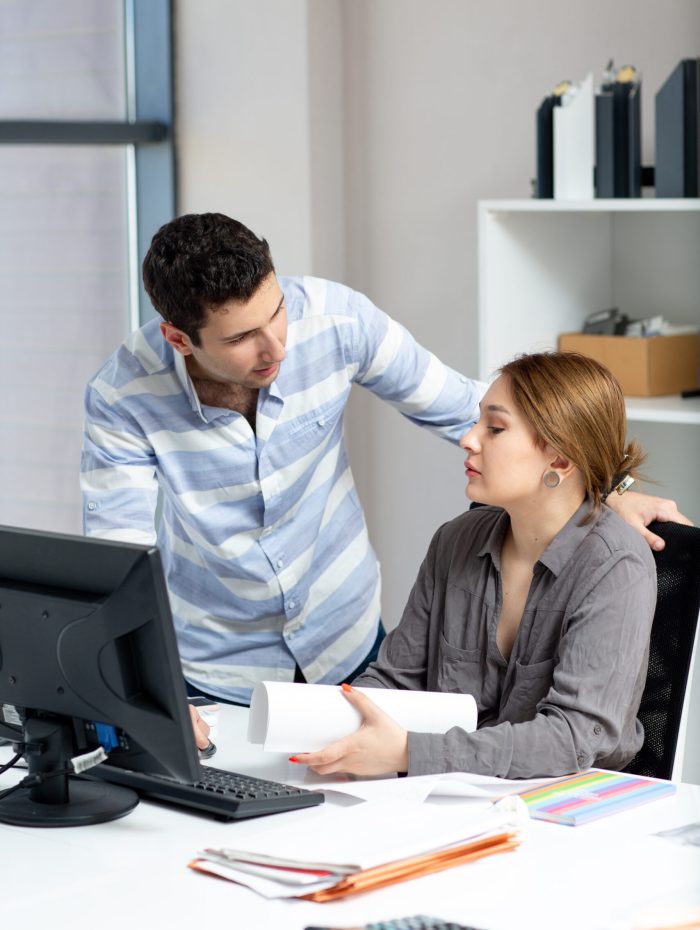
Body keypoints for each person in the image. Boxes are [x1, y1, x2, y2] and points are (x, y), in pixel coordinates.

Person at [81, 213, 686, 711]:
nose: (276, 346)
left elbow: (474, 409)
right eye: (241, 338)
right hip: (216, 671)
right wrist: (142, 690)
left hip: (347, 643)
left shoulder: (337, 320)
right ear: (179, 338)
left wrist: (603, 485)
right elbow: (121, 562)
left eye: (277, 312)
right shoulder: (122, 395)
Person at [291, 352, 659, 779]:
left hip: (569, 797)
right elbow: (395, 681)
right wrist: (330, 732)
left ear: (559, 460)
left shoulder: (615, 566)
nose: (468, 439)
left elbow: (572, 737)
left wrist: (410, 753)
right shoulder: (456, 541)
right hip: (452, 789)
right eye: (477, 421)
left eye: (495, 428)